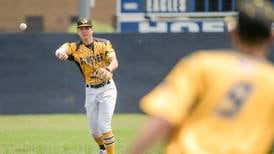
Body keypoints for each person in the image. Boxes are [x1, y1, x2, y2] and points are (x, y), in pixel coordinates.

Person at [128, 1, 274, 154]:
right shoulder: (271, 79)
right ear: (271, 37)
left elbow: (163, 118)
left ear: (234, 32)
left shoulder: (201, 64)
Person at [55, 18, 118, 154]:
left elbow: (114, 61)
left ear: (92, 29)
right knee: (94, 131)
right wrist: (60, 52)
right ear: (78, 32)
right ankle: (102, 150)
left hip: (107, 88)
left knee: (104, 126)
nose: (84, 31)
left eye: (87, 28)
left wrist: (108, 69)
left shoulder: (104, 43)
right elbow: (63, 48)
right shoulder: (75, 48)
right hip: (90, 90)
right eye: (81, 29)